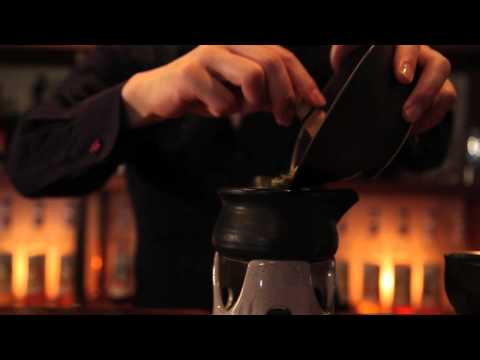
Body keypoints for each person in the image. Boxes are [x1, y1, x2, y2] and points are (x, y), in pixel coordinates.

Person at [7, 45, 456, 309]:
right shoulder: (133, 54)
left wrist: (414, 91)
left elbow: (423, 153)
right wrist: (143, 95)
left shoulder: (328, 55)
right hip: (169, 304)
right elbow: (30, 160)